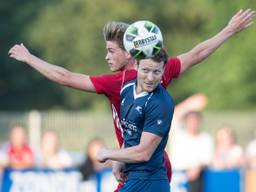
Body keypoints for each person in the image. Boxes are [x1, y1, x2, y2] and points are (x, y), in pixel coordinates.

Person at [8, 8, 255, 186]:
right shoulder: (159, 70)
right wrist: (229, 30)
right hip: (139, 165)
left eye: (111, 51)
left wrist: (29, 58)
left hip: (146, 167)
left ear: (131, 53)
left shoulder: (119, 82)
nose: (107, 57)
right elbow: (196, 53)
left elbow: (65, 77)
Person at [97, 49, 174, 192]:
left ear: (163, 70)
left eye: (156, 72)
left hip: (149, 181)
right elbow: (131, 132)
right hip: (133, 178)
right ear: (136, 66)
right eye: (145, 70)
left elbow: (143, 153)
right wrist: (120, 159)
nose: (150, 78)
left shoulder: (161, 103)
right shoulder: (126, 90)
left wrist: (108, 153)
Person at [170, 111, 214, 192]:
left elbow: (207, 159)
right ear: (185, 122)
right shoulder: (178, 135)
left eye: (195, 120)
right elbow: (173, 116)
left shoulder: (206, 138)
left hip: (197, 177)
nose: (193, 123)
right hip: (177, 176)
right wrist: (190, 103)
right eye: (190, 120)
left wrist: (197, 168)